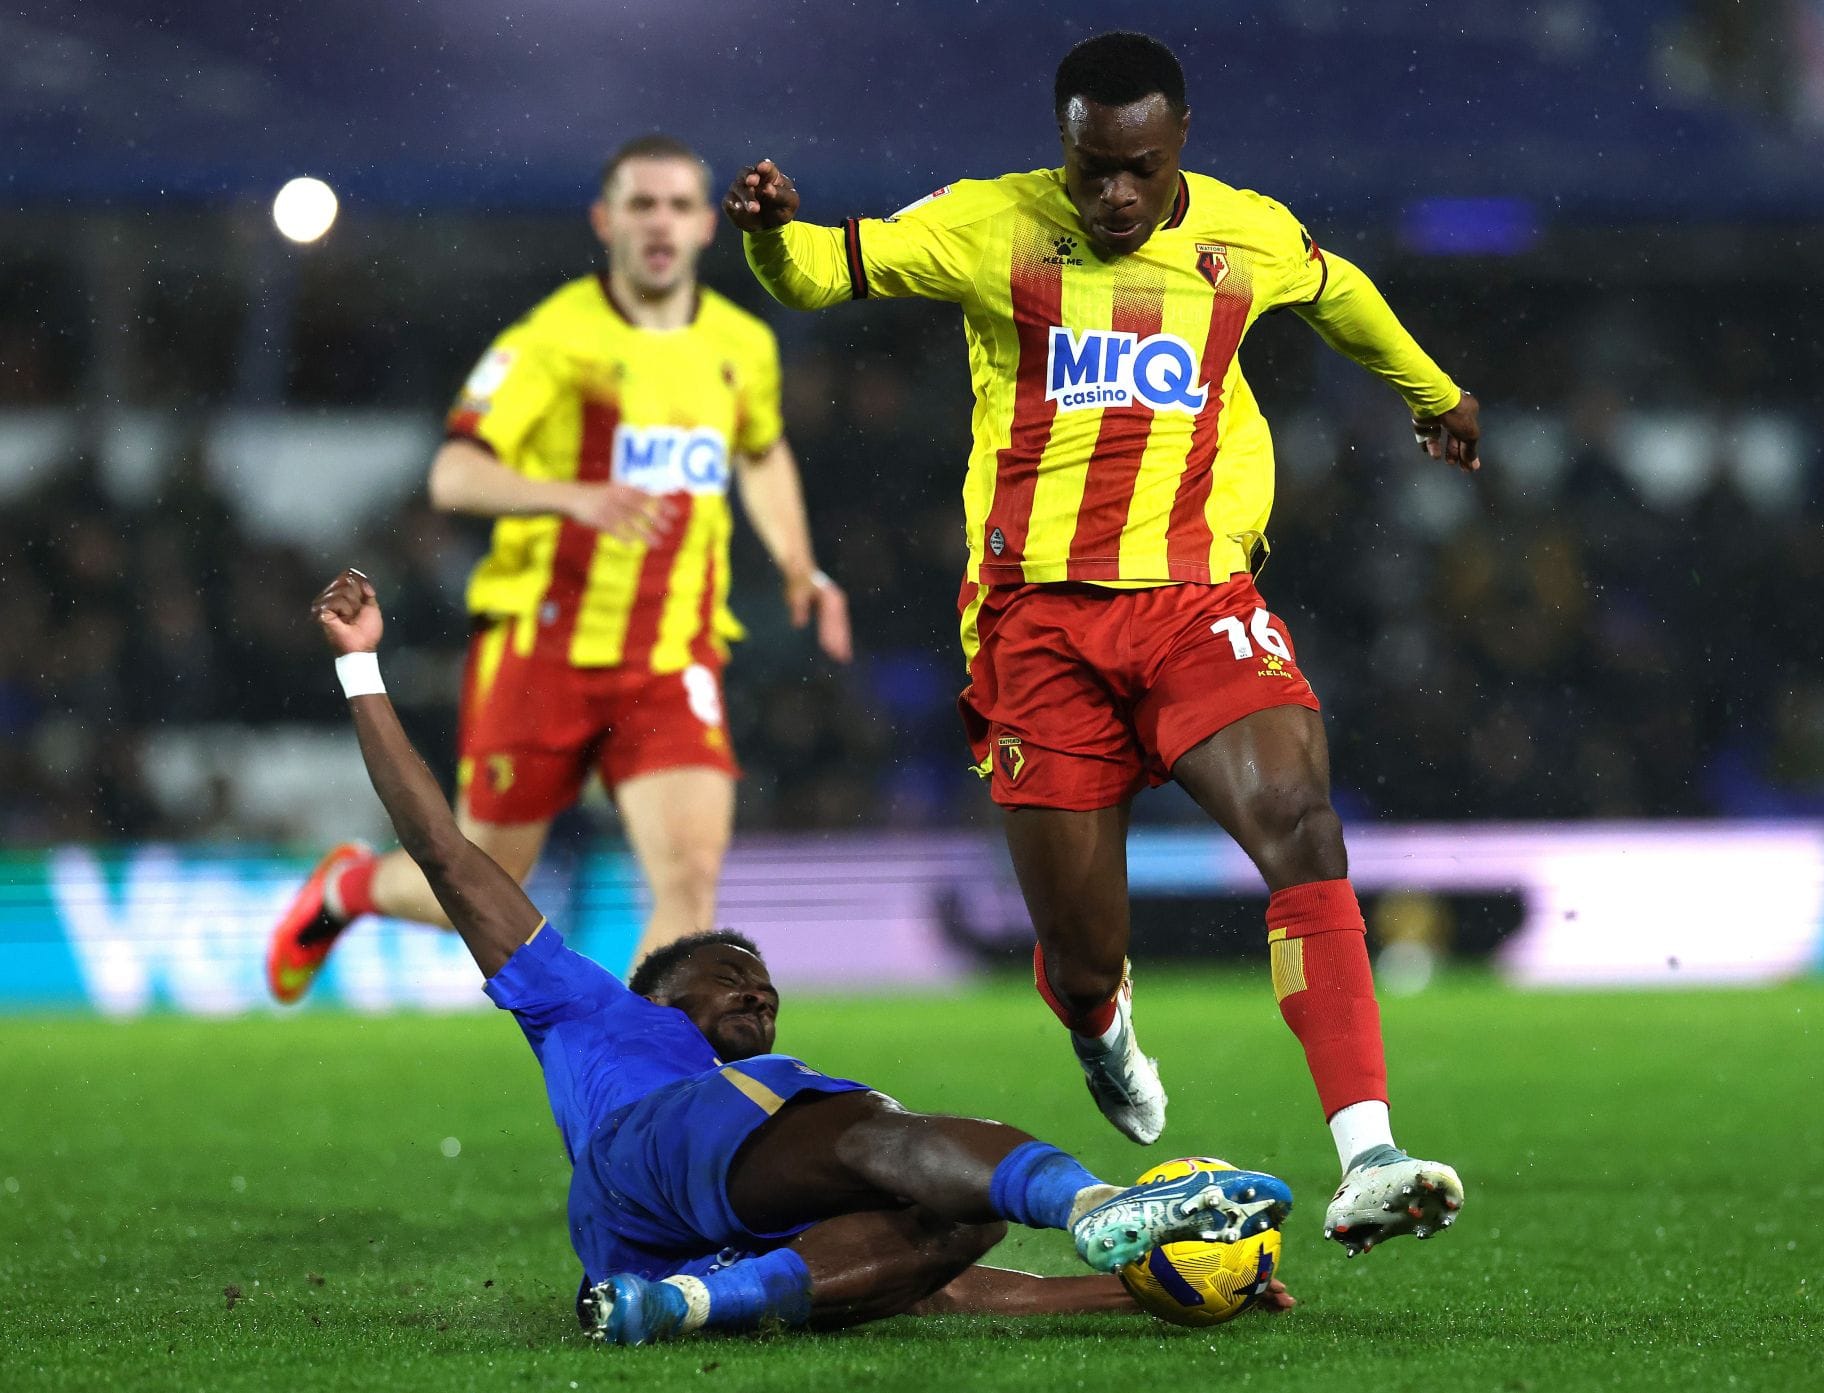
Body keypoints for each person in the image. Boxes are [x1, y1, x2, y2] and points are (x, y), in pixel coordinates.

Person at [723, 32, 1473, 1256]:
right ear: (1062, 150)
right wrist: (767, 232)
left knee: (1301, 824)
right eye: (1091, 169)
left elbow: (1339, 294)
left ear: (1179, 143)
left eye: (1136, 168)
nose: (1113, 194)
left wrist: (1434, 395)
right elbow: (815, 274)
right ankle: (1099, 1020)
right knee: (1082, 953)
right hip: (1036, 624)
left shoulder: (1247, 237)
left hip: (1193, 599)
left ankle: (1369, 1152)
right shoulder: (992, 226)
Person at [307, 567, 1294, 1344]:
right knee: (871, 1125)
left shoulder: (757, 1154)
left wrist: (1146, 1294)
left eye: (767, 986)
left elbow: (946, 1294)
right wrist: (362, 669)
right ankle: (1101, 1198)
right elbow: (444, 850)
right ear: (660, 985)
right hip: (644, 1151)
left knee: (958, 1224)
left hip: (649, 1249)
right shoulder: (594, 1009)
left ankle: (692, 1306)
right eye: (730, 969)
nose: (759, 988)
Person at [268, 134, 852, 1000]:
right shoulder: (552, 340)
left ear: (704, 226)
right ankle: (347, 887)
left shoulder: (741, 344)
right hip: (543, 647)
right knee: (475, 883)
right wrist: (572, 496)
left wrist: (801, 563)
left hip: (670, 654)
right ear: (605, 219)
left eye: (679, 205)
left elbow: (760, 453)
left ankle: (641, 1086)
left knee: (689, 878)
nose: (660, 222)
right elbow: (452, 473)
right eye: (641, 204)